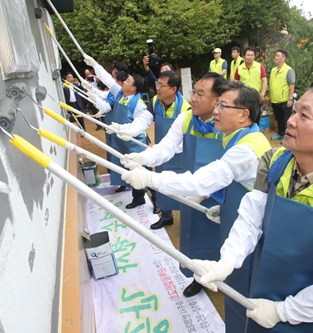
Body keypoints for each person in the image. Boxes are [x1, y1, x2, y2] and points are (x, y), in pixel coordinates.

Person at [194, 79, 313, 332]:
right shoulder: (274, 162)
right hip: (267, 286)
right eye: (294, 111)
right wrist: (227, 261)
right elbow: (252, 219)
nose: (290, 121)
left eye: (304, 116)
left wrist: (282, 311)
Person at [122, 81, 271, 319]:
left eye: (222, 105)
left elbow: (200, 181)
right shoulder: (237, 135)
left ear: (244, 115)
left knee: (245, 279)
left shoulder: (245, 148)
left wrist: (151, 178)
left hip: (251, 224)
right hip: (237, 210)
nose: (216, 111)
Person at [120, 72, 225, 298]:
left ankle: (225, 276)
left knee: (225, 240)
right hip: (190, 192)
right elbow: (165, 148)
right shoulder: (186, 118)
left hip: (220, 197)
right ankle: (198, 276)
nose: (193, 98)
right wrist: (144, 158)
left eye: (200, 94)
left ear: (218, 100)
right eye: (193, 92)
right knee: (193, 236)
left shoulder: (228, 126)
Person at [116, 70, 192, 229]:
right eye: (157, 83)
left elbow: (185, 139)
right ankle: (166, 216)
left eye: (162, 85)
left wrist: (168, 150)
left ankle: (186, 219)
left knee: (180, 186)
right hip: (161, 150)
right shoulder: (156, 101)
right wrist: (128, 130)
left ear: (173, 89)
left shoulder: (185, 108)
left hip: (179, 153)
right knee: (161, 183)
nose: (157, 88)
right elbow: (143, 121)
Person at [84, 54, 153, 209]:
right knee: (124, 167)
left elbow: (139, 126)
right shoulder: (120, 93)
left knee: (139, 170)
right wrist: (95, 65)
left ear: (134, 88)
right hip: (121, 140)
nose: (123, 82)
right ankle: (133, 191)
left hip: (134, 143)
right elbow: (108, 79)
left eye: (127, 81)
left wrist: (124, 130)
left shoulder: (139, 104)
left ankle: (144, 197)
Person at [269, 49, 295, 141]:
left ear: (284, 58)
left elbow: (291, 85)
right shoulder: (273, 70)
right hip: (275, 100)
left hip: (285, 100)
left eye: (278, 56)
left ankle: (288, 136)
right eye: (275, 56)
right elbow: (271, 84)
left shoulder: (288, 70)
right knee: (279, 118)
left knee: (287, 119)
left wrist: (290, 99)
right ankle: (280, 133)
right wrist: (269, 97)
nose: (275, 57)